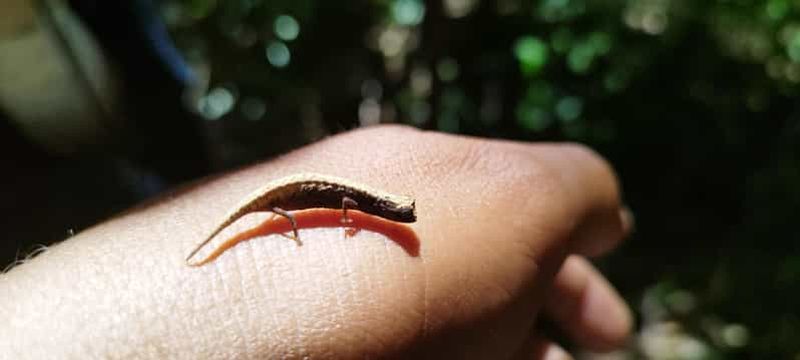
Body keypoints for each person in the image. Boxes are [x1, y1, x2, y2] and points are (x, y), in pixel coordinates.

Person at [0, 125, 632, 359]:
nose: (405, 220)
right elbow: (348, 202)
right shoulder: (364, 205)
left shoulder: (384, 208)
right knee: (264, 222)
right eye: (403, 216)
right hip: (286, 198)